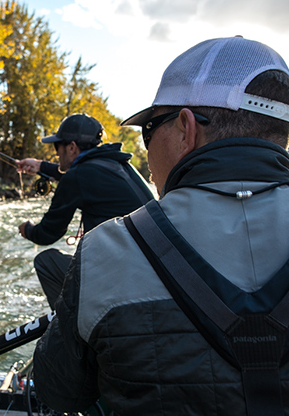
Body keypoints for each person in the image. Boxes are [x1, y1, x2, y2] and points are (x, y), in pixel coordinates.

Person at [32, 36, 289, 415]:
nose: (146, 150)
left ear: (186, 129)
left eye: (148, 130)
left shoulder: (107, 248)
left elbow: (59, 392)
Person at [16, 113, 154, 309]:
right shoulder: (118, 164)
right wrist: (40, 166)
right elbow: (81, 175)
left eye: (58, 146)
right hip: (147, 272)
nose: (56, 153)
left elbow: (48, 233)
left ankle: (70, 327)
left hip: (123, 280)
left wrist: (27, 229)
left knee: (45, 262)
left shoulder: (79, 175)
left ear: (72, 147)